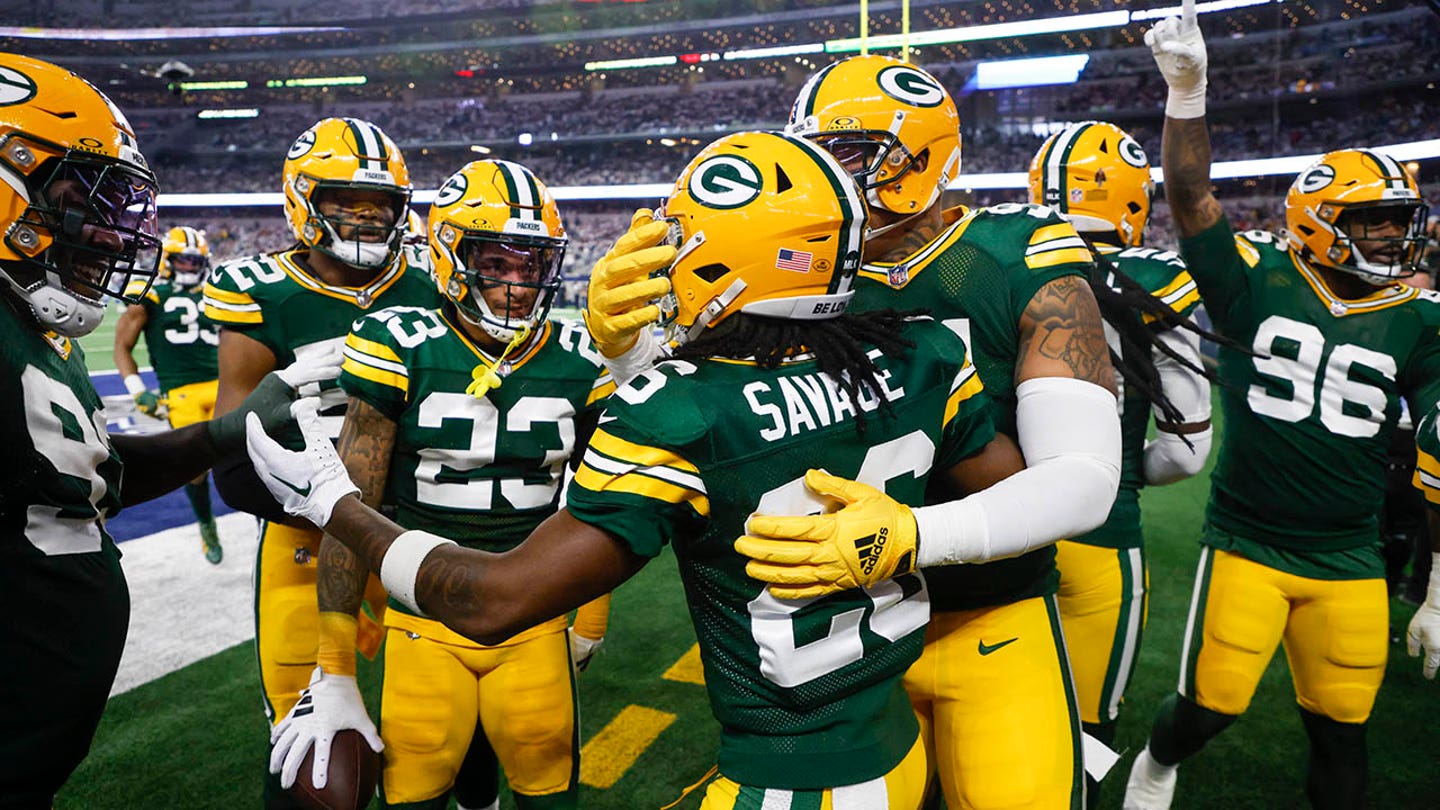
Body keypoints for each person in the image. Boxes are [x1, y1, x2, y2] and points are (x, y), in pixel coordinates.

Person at [245, 130, 1032, 810]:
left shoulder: (677, 407)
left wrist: (332, 500)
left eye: (679, 245)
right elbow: (1017, 501)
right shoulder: (927, 349)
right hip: (893, 741)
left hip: (791, 773)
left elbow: (496, 600)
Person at [723, 55, 1123, 808]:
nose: (824, 179)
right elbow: (712, 420)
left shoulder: (1016, 253)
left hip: (995, 610)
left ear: (919, 155)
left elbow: (1085, 477)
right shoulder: (799, 268)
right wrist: (632, 351)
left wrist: (908, 537)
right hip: (844, 636)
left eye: (845, 155)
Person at [1124, 3, 1440, 807]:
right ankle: (1155, 765)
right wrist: (1188, 88)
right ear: (1320, 225)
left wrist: (1438, 590)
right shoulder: (1255, 279)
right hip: (1250, 543)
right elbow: (1192, 195)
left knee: (1343, 730)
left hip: (1352, 556)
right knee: (1206, 710)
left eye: (1400, 225)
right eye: (1375, 226)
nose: (1395, 242)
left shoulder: (1420, 317)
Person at [0, 53, 325, 807]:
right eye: (82, 198)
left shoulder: (28, 324)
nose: (113, 236)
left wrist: (222, 436)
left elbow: (92, 476)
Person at [270, 159, 613, 808]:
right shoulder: (399, 341)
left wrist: (591, 613)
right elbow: (353, 503)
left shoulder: (579, 358)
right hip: (421, 617)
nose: (517, 283)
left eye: (532, 263)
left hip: (535, 616)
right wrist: (336, 663)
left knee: (549, 787)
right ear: (450, 254)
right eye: (497, 260)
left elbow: (604, 497)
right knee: (414, 787)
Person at [202, 116, 441, 807]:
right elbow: (230, 448)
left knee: (437, 729)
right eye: (346, 202)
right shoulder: (261, 289)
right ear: (303, 199)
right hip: (302, 537)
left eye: (381, 205)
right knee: (311, 744)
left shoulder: (430, 283)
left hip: (416, 528)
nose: (366, 218)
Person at [1026, 120, 1213, 805]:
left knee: (969, 717)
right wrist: (1115, 468)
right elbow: (1188, 451)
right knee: (1084, 733)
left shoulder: (996, 254)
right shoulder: (1158, 280)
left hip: (990, 527)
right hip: (1101, 535)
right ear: (1134, 199)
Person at [113, 225, 225, 563]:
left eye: (195, 262)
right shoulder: (151, 293)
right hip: (181, 390)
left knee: (252, 456)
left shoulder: (216, 292)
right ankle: (207, 525)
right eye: (183, 261)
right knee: (195, 468)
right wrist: (137, 391)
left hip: (223, 384)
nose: (190, 268)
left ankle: (266, 520)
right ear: (167, 261)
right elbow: (122, 347)